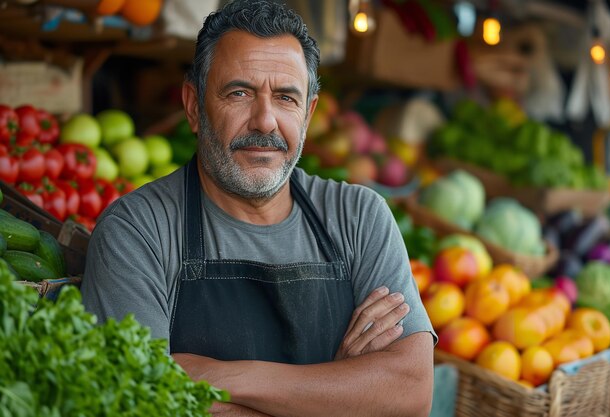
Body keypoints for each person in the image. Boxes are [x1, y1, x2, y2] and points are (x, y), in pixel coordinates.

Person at [80, 1, 436, 416]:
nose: (265, 121)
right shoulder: (138, 230)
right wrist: (340, 392)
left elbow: (410, 393)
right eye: (239, 92)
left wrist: (213, 376)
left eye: (286, 97)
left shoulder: (358, 216)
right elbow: (141, 402)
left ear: (309, 114)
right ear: (194, 106)